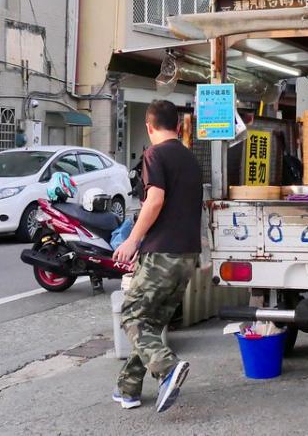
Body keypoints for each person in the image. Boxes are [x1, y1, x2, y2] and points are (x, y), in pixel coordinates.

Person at [111, 100, 202, 412]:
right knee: (151, 323)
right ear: (178, 127)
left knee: (133, 316)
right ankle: (128, 389)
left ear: (149, 127)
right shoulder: (190, 158)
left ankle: (167, 368)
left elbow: (155, 200)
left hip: (162, 252)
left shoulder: (154, 154)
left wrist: (132, 241)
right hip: (188, 255)